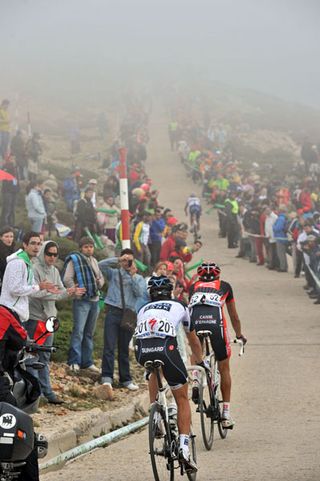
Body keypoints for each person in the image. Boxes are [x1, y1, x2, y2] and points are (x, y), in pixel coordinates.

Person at [135, 275, 203, 472]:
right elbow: (193, 340)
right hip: (167, 348)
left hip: (142, 350)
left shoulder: (142, 309)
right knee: (182, 398)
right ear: (170, 291)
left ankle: (155, 414)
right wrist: (200, 362)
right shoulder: (180, 305)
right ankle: (183, 448)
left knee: (153, 369)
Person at [188, 262, 247, 429]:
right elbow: (233, 316)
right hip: (216, 325)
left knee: (196, 348)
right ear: (218, 276)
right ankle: (226, 414)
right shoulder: (225, 286)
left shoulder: (193, 287)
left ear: (200, 277)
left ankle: (195, 380)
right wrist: (239, 335)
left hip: (196, 323)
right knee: (224, 366)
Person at [27, 241, 85, 403]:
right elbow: (34, 293)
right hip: (35, 319)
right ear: (43, 253)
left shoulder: (54, 270)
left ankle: (47, 392)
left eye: (55, 254)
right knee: (32, 357)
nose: (52, 257)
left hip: (50, 320)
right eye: (49, 254)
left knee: (45, 357)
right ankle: (35, 394)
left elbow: (58, 293)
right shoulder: (33, 268)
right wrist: (52, 291)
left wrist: (70, 292)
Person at [98, 249, 144, 394]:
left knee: (124, 348)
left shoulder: (138, 278)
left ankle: (126, 379)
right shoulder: (114, 273)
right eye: (126, 260)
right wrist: (118, 260)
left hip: (128, 315)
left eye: (130, 260)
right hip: (113, 311)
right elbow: (100, 265)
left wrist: (132, 276)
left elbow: (139, 293)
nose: (127, 263)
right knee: (109, 346)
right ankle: (107, 377)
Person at [63, 236, 104, 372]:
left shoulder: (95, 261)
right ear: (81, 248)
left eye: (91, 246)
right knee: (78, 332)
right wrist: (75, 290)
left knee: (89, 333)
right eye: (86, 246)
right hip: (81, 301)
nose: (89, 249)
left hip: (95, 300)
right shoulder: (75, 260)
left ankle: (87, 362)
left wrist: (99, 282)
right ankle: (74, 361)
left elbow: (101, 278)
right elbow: (67, 278)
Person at [1, 153, 19, 226]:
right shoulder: (6, 166)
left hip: (14, 190)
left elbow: (16, 179)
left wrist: (18, 188)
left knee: (12, 209)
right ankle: (4, 224)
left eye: (14, 159)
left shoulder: (15, 167)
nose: (13, 160)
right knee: (7, 208)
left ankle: (11, 225)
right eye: (11, 159)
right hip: (7, 191)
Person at [0, 226, 15, 292]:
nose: (9, 239)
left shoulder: (14, 249)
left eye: (11, 236)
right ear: (1, 237)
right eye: (6, 236)